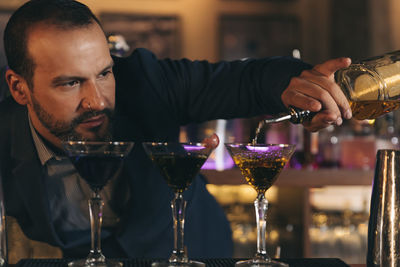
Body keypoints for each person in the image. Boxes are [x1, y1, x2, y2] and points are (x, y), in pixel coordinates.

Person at [0, 0, 352, 261]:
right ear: (19, 88)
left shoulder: (147, 81)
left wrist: (299, 85)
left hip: (193, 251)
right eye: (70, 83)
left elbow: (247, 80)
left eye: (105, 74)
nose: (97, 101)